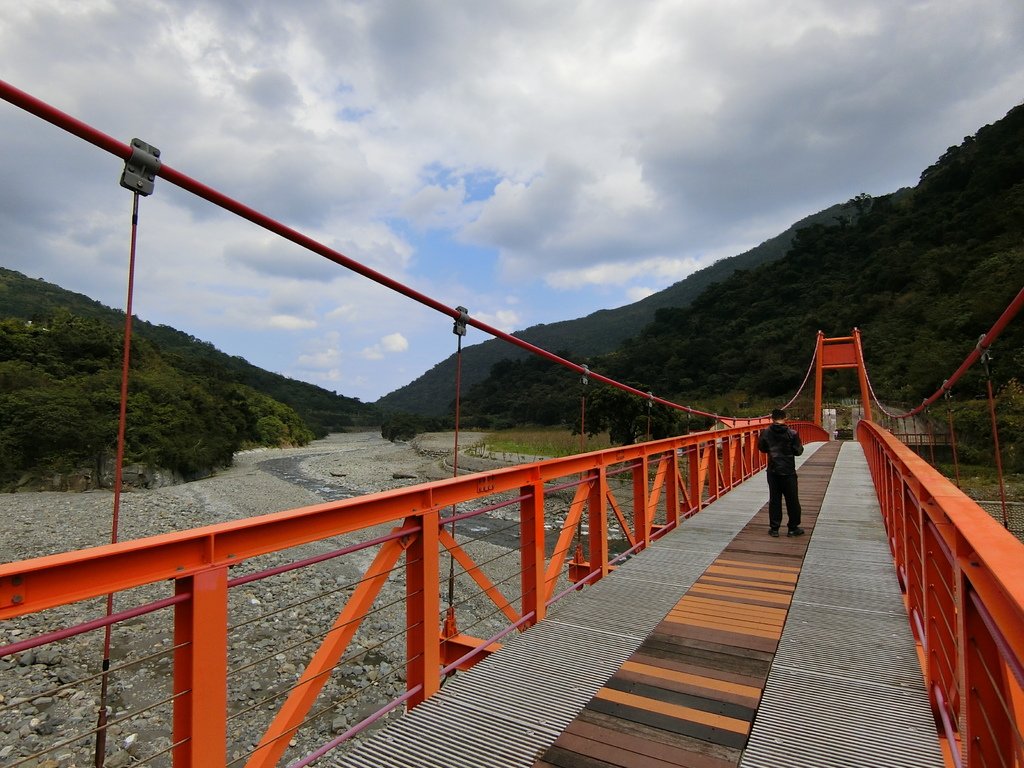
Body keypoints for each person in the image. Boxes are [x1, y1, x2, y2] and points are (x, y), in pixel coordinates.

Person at [757, 408, 804, 538]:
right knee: (792, 500)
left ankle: (774, 529)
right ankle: (793, 528)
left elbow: (761, 448)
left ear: (772, 419)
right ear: (785, 418)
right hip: (788, 471)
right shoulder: (792, 433)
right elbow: (798, 452)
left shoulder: (765, 433)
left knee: (774, 500)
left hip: (773, 471)